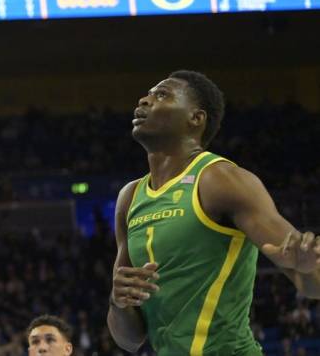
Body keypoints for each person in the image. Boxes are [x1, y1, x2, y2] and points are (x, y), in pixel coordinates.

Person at [107, 70, 320, 355]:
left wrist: (305, 269)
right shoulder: (130, 197)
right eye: (147, 94)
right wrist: (117, 302)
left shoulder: (221, 180)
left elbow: (312, 285)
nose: (144, 100)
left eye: (161, 95)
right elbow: (130, 340)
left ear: (195, 118)